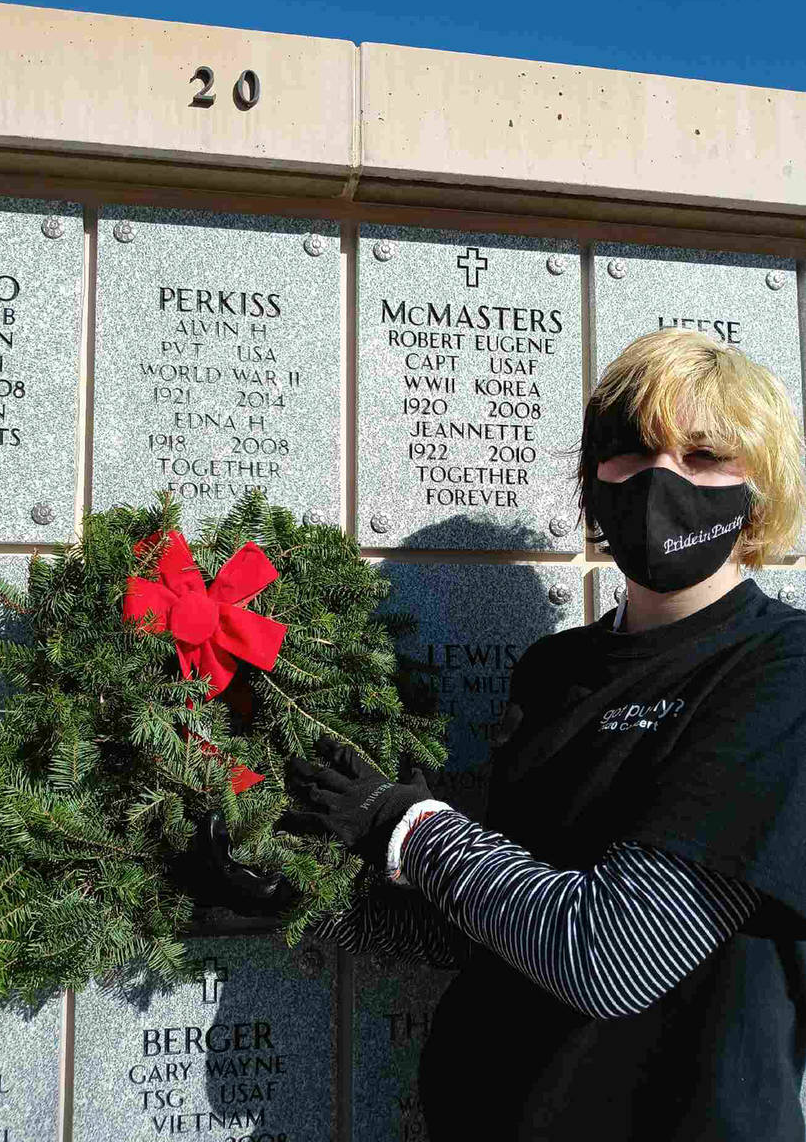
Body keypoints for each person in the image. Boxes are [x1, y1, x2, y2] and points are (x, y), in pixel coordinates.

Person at [282, 328, 806, 1141]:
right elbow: (494, 926)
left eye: (704, 456)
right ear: (594, 478)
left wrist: (405, 823)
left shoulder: (783, 671)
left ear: (761, 496)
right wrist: (308, 899)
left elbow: (608, 954)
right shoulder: (554, 672)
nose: (661, 478)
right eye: (633, 449)